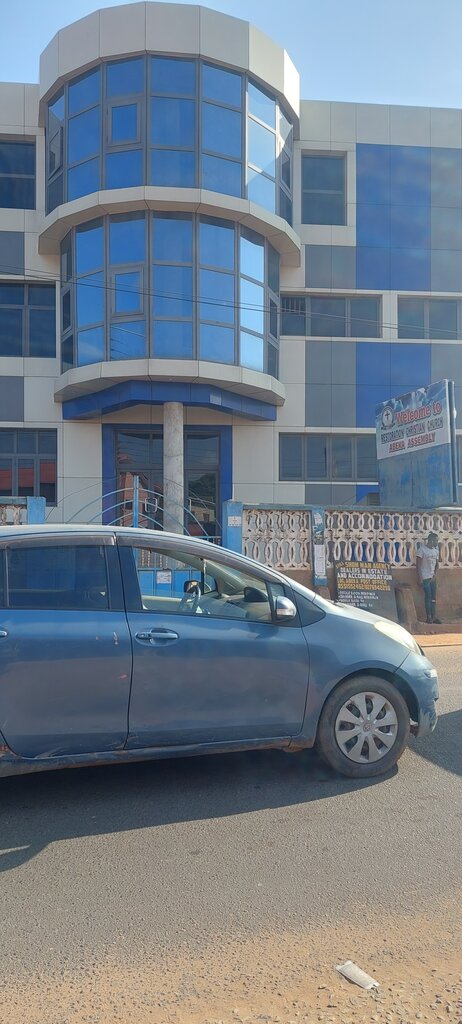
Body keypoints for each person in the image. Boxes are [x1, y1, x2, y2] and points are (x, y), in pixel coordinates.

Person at [416, 532, 441, 624]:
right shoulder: (421, 550)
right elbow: (418, 565)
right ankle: (429, 617)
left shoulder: (436, 551)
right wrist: (420, 578)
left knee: (433, 598)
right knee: (428, 597)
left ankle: (434, 616)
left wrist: (435, 574)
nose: (437, 542)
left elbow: (437, 565)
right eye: (436, 540)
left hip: (432, 578)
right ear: (431, 540)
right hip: (425, 578)